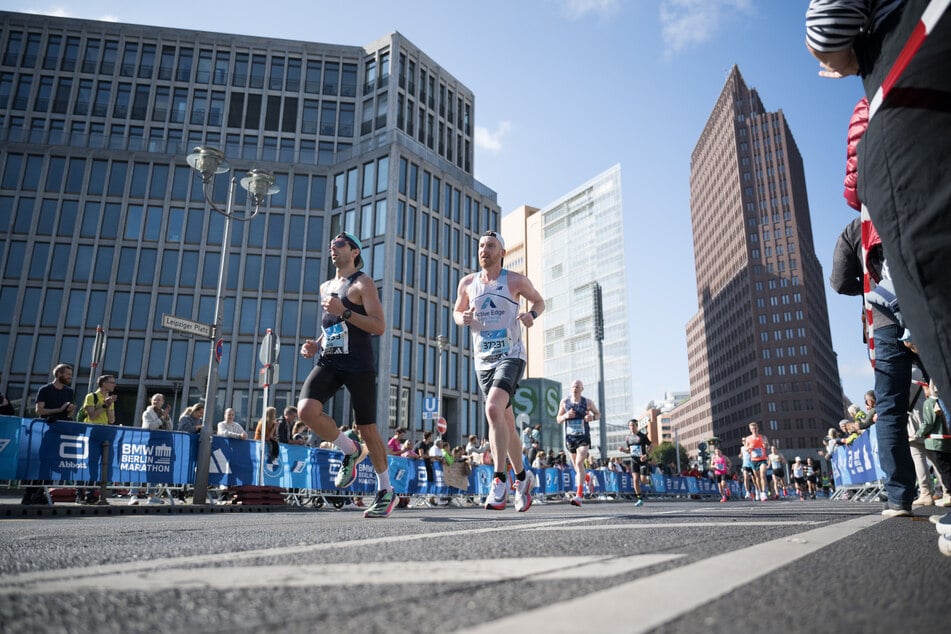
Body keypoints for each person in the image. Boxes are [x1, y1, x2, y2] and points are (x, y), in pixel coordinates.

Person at [806, 2, 951, 478]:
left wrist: (836, 58)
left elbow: (826, 29)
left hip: (891, 276)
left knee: (897, 396)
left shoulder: (868, 109)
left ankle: (898, 494)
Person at [297, 232, 394, 519]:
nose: (333, 248)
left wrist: (346, 312)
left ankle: (385, 490)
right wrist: (316, 343)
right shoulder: (326, 286)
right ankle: (350, 450)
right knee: (306, 410)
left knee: (368, 428)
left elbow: (379, 326)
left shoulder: (363, 283)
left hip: (359, 363)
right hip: (330, 360)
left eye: (339, 245)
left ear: (354, 252)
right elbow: (331, 327)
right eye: (331, 245)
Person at [453, 230, 544, 512]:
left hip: (511, 355)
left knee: (492, 409)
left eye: (491, 246)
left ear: (501, 252)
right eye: (481, 246)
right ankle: (522, 478)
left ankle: (499, 480)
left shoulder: (515, 280)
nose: (484, 250)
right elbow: (456, 312)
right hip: (483, 360)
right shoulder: (467, 283)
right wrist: (462, 318)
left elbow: (540, 301)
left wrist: (531, 315)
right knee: (506, 422)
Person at [25, 364, 76, 504]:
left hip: (61, 431)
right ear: (59, 374)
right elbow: (39, 410)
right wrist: (58, 409)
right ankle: (30, 493)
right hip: (46, 429)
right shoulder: (45, 389)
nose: (69, 377)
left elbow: (68, 412)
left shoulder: (69, 391)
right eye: (67, 374)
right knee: (43, 462)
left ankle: (42, 493)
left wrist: (70, 410)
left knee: (53, 463)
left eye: (70, 375)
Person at [556, 379, 600, 507]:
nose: (575, 388)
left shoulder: (587, 402)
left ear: (582, 389)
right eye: (573, 386)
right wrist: (565, 416)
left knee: (580, 463)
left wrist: (591, 417)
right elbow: (558, 419)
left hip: (583, 438)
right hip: (570, 439)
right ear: (570, 389)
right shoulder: (564, 402)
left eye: (577, 386)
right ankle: (587, 478)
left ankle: (579, 495)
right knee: (577, 468)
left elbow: (598, 414)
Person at [618, 418, 651, 507]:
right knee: (635, 480)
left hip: (642, 460)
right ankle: (639, 499)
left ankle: (649, 481)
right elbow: (629, 450)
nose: (631, 427)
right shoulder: (628, 438)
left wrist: (646, 455)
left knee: (643, 480)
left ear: (637, 426)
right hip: (633, 461)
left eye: (633, 425)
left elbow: (651, 445)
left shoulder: (642, 436)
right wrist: (623, 450)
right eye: (630, 426)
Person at [744, 422, 770, 502]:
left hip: (763, 459)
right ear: (750, 430)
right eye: (752, 429)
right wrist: (749, 447)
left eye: (755, 428)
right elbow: (746, 449)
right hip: (754, 460)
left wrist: (766, 445)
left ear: (757, 428)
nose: (754, 430)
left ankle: (763, 493)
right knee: (757, 478)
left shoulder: (763, 437)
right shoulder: (748, 438)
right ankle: (759, 491)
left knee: (762, 475)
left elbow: (768, 446)